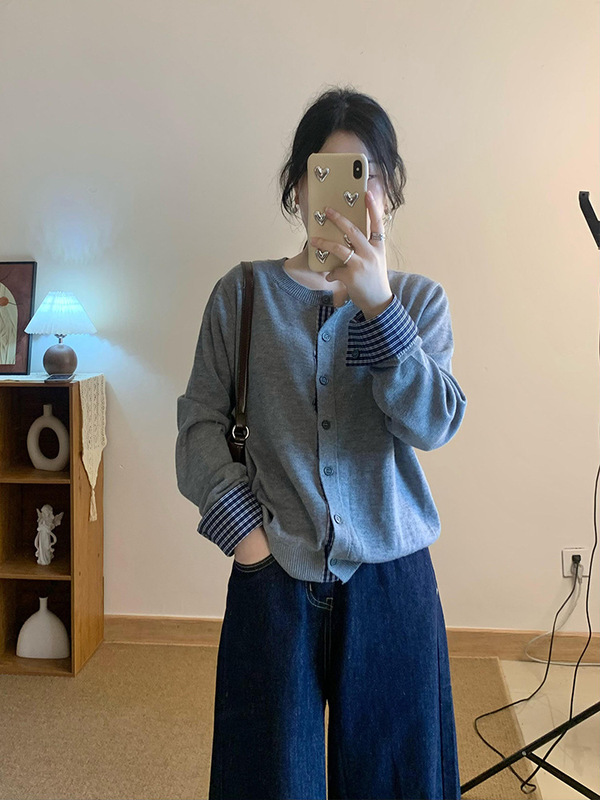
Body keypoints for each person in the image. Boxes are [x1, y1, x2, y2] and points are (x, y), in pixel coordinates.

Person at [176, 86, 468, 800]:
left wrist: (378, 306)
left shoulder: (419, 302)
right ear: (298, 186)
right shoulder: (242, 295)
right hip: (274, 576)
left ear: (388, 193)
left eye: (366, 176)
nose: (346, 195)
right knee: (270, 779)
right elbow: (199, 425)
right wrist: (248, 539)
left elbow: (433, 424)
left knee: (397, 781)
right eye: (325, 173)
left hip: (392, 580)